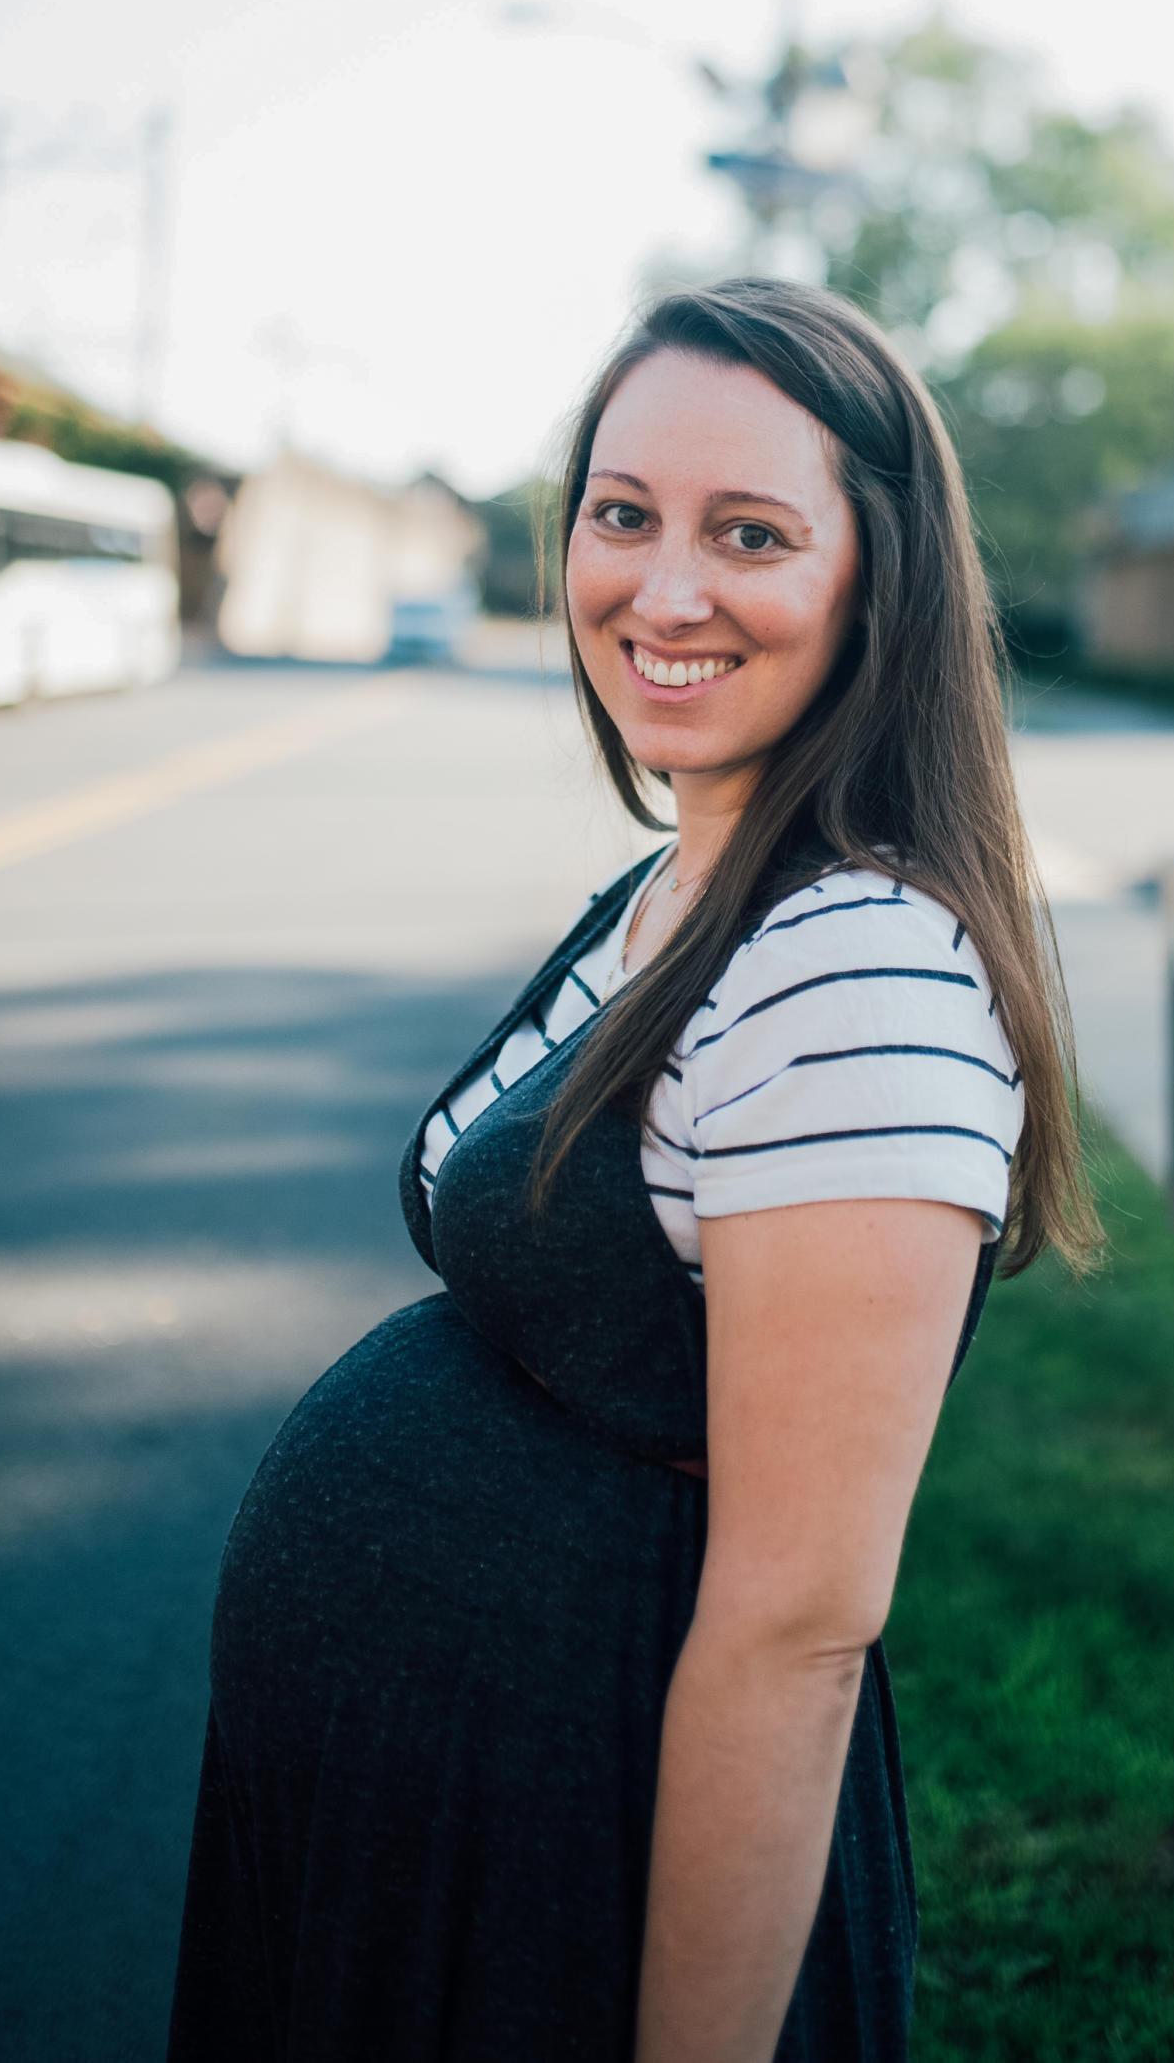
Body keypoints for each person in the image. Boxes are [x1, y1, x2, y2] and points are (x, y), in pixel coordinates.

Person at [168, 278, 1091, 2063]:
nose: (663, 590)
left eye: (750, 532)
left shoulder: (864, 969)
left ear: (875, 580)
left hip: (566, 1864)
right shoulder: (693, 871)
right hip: (436, 1827)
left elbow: (801, 1629)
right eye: (622, 513)